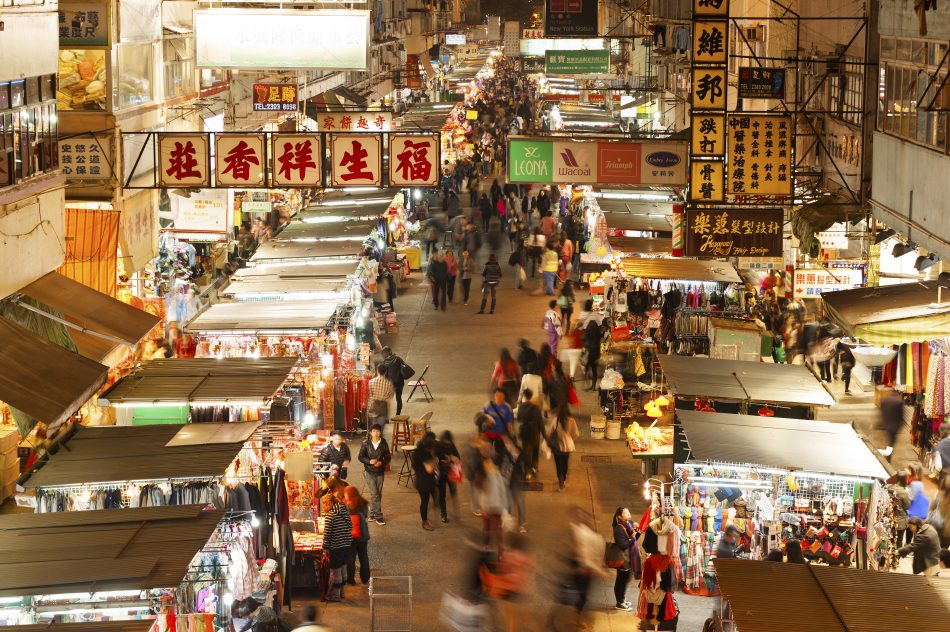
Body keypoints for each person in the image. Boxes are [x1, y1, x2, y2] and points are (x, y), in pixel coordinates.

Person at [358, 423, 391, 525]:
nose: (375, 433)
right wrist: (369, 461)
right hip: (369, 472)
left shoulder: (384, 443)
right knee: (374, 494)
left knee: (378, 494)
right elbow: (360, 457)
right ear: (370, 433)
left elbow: (388, 456)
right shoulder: (365, 443)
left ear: (380, 432)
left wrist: (382, 462)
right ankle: (379, 516)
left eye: (377, 431)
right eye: (373, 431)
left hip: (380, 472)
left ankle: (372, 514)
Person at [323, 492, 353, 601]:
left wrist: (325, 548)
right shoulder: (344, 511)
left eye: (325, 504)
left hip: (336, 545)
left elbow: (327, 534)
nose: (324, 507)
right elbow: (350, 526)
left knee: (336, 571)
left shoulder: (330, 516)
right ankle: (342, 592)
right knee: (343, 568)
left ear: (330, 503)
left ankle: (336, 596)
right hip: (347, 544)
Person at [475, 456, 508, 554]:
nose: (490, 465)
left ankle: (500, 550)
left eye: (490, 463)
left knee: (498, 529)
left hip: (496, 506)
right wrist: (482, 507)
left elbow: (502, 490)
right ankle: (486, 546)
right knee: (487, 528)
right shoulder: (483, 477)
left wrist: (504, 505)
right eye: (487, 463)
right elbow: (481, 494)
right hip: (487, 507)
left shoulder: (497, 474)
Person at [612, 507, 639, 610]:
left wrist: (636, 531)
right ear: (620, 516)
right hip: (623, 557)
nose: (628, 514)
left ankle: (622, 599)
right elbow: (622, 545)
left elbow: (635, 539)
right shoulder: (619, 528)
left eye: (628, 512)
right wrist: (632, 538)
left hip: (629, 556)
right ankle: (619, 602)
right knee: (621, 580)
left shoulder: (629, 524)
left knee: (626, 579)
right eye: (625, 513)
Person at [412, 431, 440, 531]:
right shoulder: (419, 453)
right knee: (425, 501)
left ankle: (435, 508)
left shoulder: (429, 448)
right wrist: (432, 464)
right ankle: (425, 522)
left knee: (436, 495)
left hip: (430, 479)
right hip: (422, 481)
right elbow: (428, 469)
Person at [343, 486, 371, 585]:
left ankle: (351, 579)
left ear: (349, 495)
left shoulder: (348, 506)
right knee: (363, 556)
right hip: (363, 536)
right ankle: (365, 578)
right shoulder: (363, 503)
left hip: (352, 537)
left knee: (351, 558)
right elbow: (366, 515)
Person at [550, 404, 580, 491]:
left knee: (558, 463)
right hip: (567, 445)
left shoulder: (555, 420)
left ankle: (560, 478)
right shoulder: (571, 421)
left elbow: (550, 432)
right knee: (565, 463)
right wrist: (570, 439)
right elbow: (576, 434)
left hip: (557, 446)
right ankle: (563, 479)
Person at [517, 389, 544, 479]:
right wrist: (544, 435)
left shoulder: (521, 407)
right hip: (535, 432)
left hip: (525, 433)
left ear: (524, 396)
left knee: (527, 451)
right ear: (531, 396)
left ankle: (528, 472)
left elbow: (518, 418)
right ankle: (535, 466)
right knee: (535, 449)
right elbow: (541, 423)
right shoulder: (536, 408)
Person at [436, 430, 461, 523]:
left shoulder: (451, 445)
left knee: (453, 492)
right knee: (442, 495)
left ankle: (456, 511)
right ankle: (443, 514)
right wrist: (450, 458)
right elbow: (438, 457)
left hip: (451, 472)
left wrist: (455, 459)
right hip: (442, 473)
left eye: (449, 441)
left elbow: (458, 456)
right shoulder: (438, 446)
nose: (448, 443)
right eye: (446, 441)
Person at [380, 346, 413, 416]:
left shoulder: (384, 362)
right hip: (399, 382)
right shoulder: (398, 359)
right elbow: (405, 366)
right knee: (398, 398)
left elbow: (382, 374)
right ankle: (398, 415)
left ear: (386, 353)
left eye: (383, 353)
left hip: (390, 384)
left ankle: (386, 417)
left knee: (387, 400)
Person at [878, 389, 904, 460]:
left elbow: (881, 411)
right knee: (891, 442)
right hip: (894, 426)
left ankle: (887, 455)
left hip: (886, 424)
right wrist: (900, 425)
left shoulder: (884, 399)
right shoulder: (899, 402)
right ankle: (888, 457)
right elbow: (901, 415)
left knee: (889, 440)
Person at [888, 474, 912, 545]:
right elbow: (908, 506)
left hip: (889, 518)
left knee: (889, 540)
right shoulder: (904, 493)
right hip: (901, 520)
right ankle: (897, 555)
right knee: (899, 539)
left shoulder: (890, 489)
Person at [582, 314, 603, 391]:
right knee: (594, 370)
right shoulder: (598, 332)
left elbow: (584, 338)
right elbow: (601, 337)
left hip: (589, 352)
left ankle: (587, 385)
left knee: (587, 369)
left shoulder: (588, 331)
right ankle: (593, 386)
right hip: (596, 352)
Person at [928, 476, 950, 547]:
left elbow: (932, 508)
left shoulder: (938, 494)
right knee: (943, 550)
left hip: (936, 526)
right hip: (947, 530)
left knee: (934, 548)